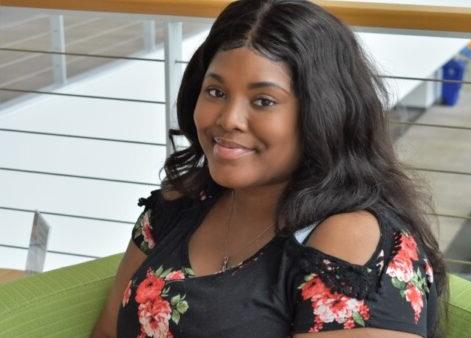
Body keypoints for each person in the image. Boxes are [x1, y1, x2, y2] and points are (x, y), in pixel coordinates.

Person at [93, 0, 447, 337]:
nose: (229, 119)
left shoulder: (351, 244)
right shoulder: (179, 203)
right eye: (216, 92)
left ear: (323, 114)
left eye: (264, 101)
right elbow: (108, 332)